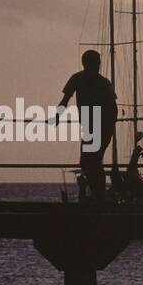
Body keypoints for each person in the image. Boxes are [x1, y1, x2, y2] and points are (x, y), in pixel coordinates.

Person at [55, 49, 117, 203]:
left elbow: (65, 100)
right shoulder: (100, 81)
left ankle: (98, 196)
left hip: (97, 126)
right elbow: (114, 108)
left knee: (90, 162)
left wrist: (57, 116)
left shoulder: (82, 79)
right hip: (96, 126)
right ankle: (98, 195)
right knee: (92, 162)